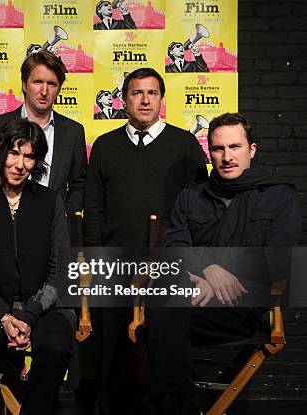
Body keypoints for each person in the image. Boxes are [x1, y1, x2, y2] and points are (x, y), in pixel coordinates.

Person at [147, 113, 301, 414]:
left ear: (251, 150)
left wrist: (218, 271)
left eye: (235, 147)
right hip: (196, 297)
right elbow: (176, 246)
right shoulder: (191, 197)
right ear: (209, 151)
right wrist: (208, 269)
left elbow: (277, 260)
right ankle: (177, 405)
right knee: (162, 302)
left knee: (161, 316)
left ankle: (173, 404)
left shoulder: (279, 195)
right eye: (218, 149)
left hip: (245, 306)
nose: (227, 157)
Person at [84, 67, 208, 414]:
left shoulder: (185, 144)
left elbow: (200, 207)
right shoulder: (106, 146)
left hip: (169, 264)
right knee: (112, 349)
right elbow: (93, 206)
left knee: (165, 345)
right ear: (124, 100)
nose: (144, 99)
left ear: (162, 100)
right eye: (137, 93)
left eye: (152, 93)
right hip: (116, 263)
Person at [0, 118, 75, 414]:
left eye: (29, 156)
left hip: (45, 308)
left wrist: (29, 315)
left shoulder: (51, 201)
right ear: (0, 154)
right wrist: (4, 316)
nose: (20, 164)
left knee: (56, 346)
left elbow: (59, 269)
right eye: (13, 153)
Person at [0, 51, 87, 215]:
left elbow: (79, 185)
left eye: (52, 84)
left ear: (59, 88)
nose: (44, 91)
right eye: (38, 82)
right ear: (25, 84)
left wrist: (62, 215)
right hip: (3, 226)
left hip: (53, 229)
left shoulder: (73, 131)